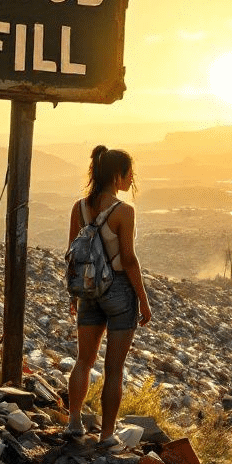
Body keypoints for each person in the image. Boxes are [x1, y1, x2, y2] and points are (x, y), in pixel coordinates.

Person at [66, 146, 152, 447]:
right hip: (118, 290)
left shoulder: (79, 208)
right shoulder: (123, 211)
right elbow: (128, 259)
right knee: (113, 368)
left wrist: (74, 295)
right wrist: (143, 298)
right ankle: (106, 435)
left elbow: (73, 254)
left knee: (83, 361)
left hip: (88, 288)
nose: (132, 178)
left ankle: (74, 422)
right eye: (129, 173)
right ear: (117, 175)